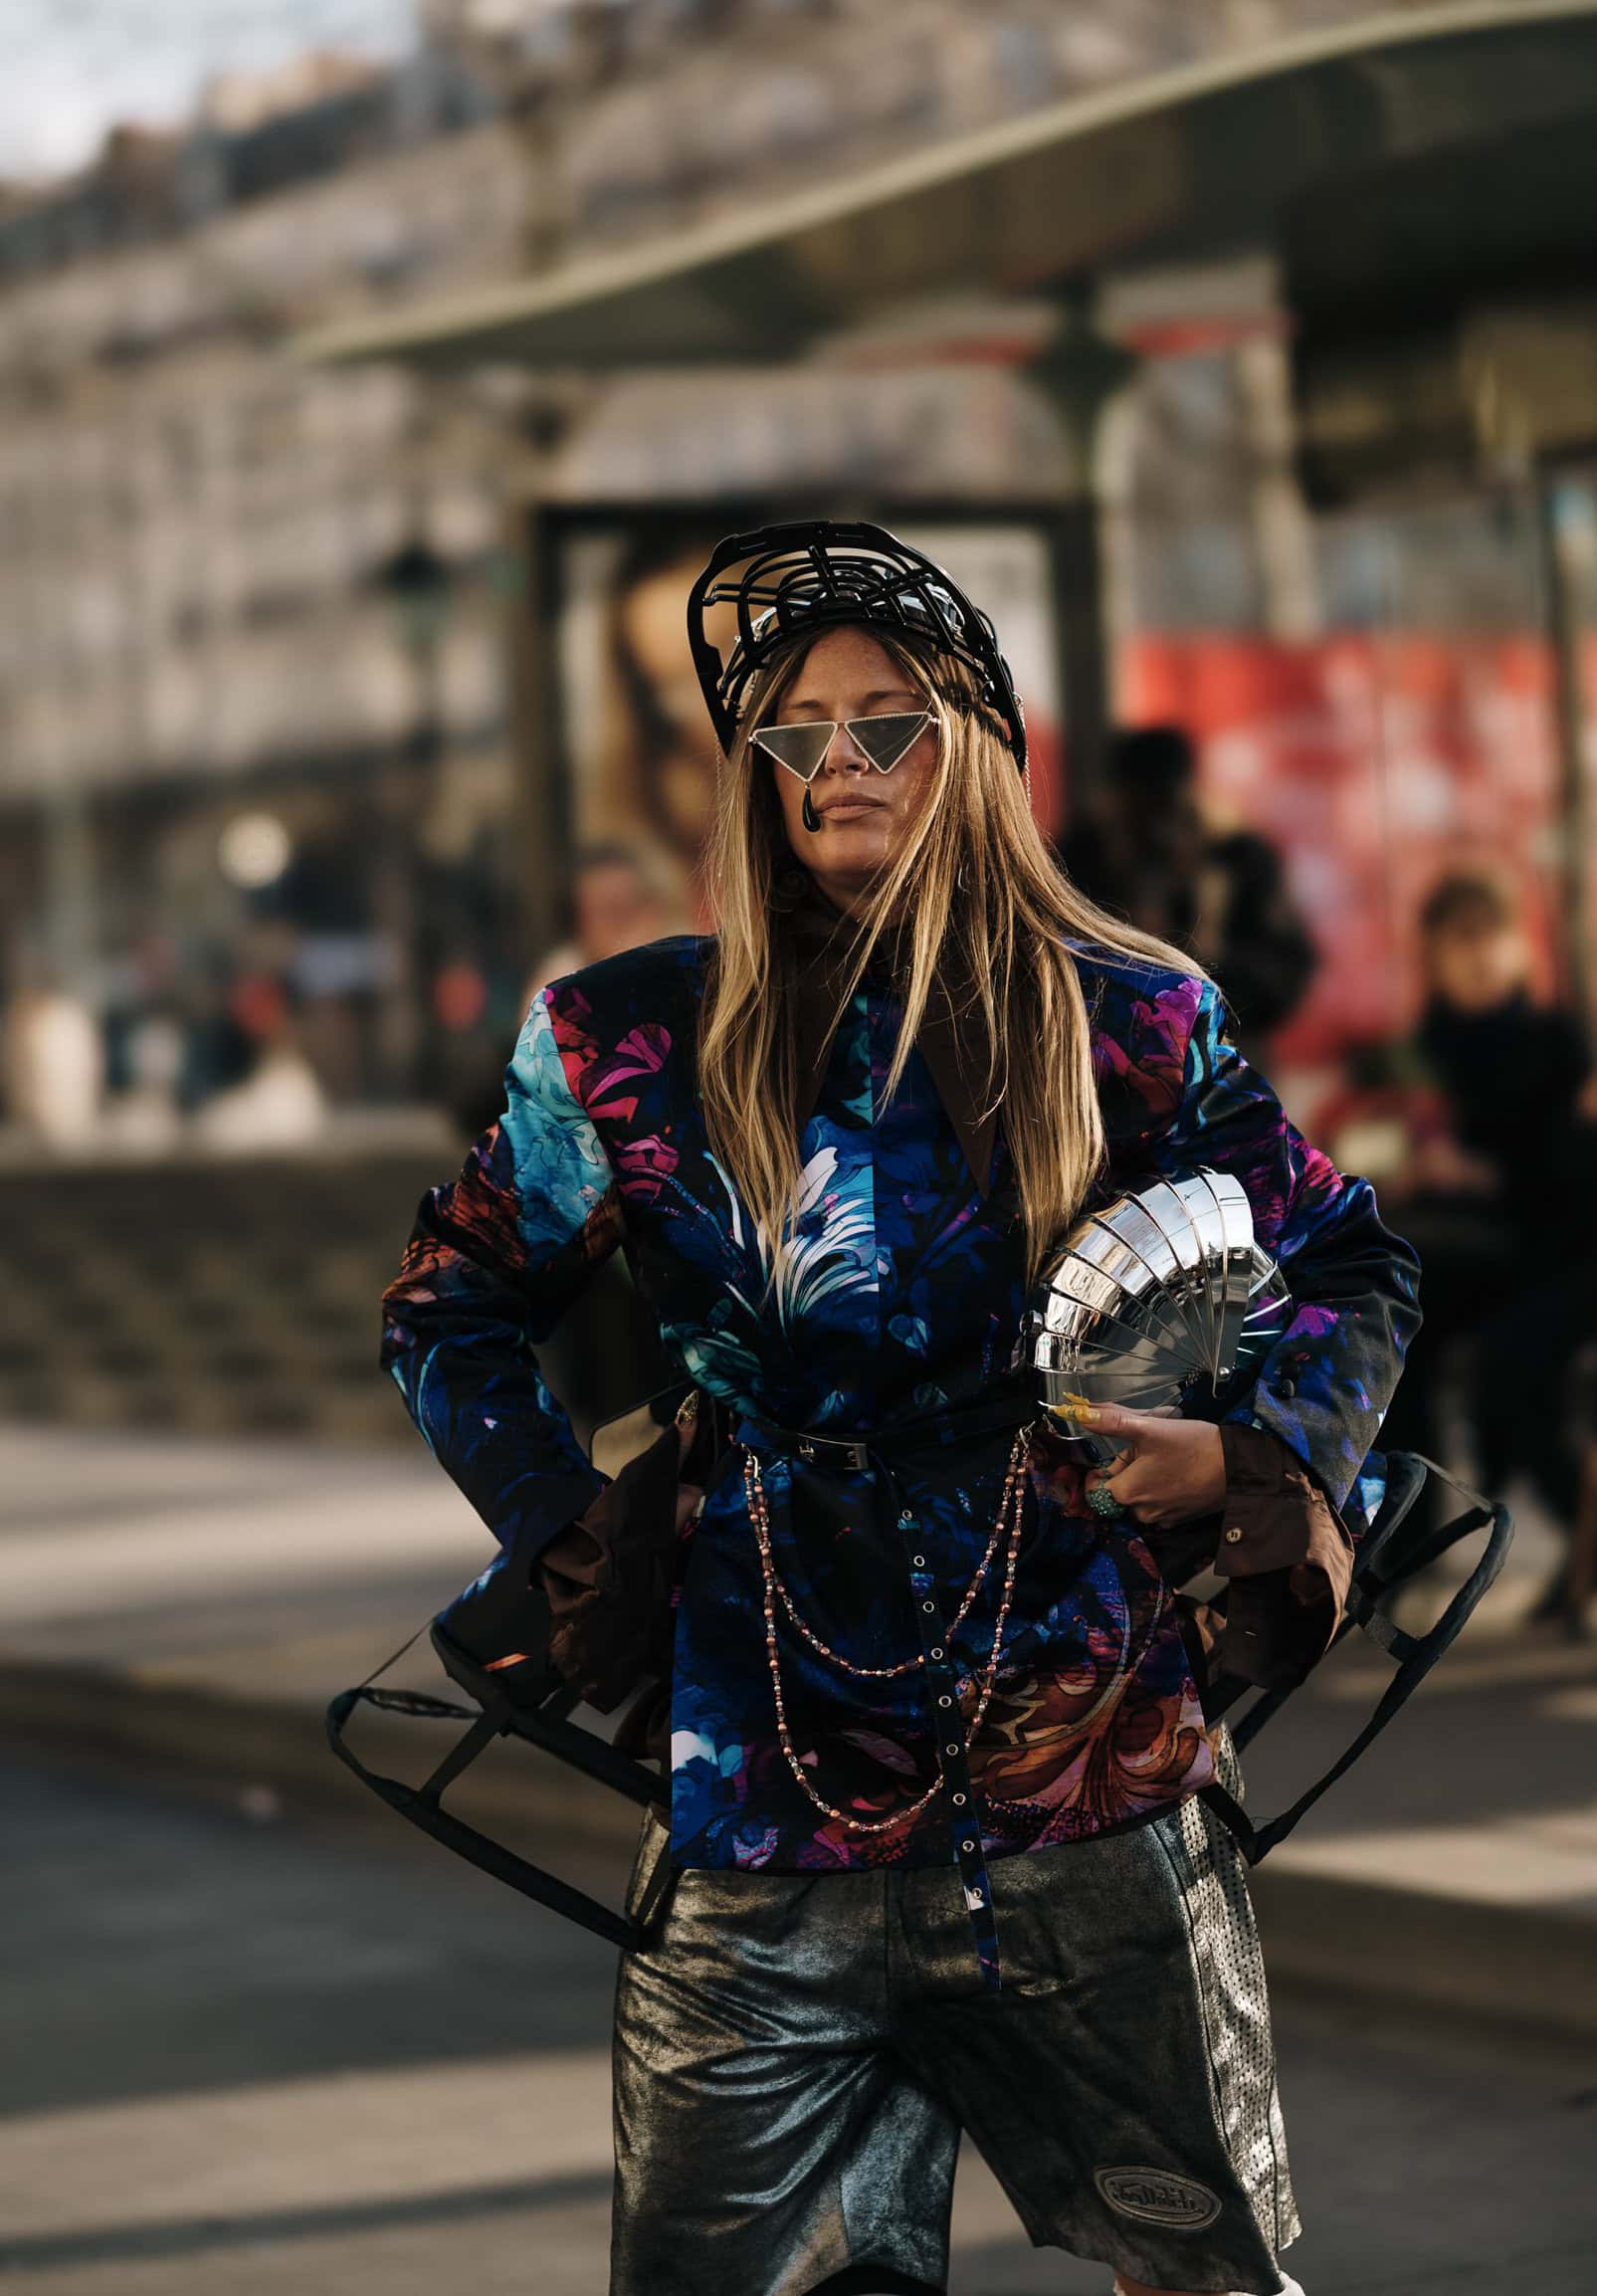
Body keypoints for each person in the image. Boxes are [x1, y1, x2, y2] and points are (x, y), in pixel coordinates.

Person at [379, 522, 1421, 2296]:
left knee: (1206, 2274)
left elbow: (1345, 1263)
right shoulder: (621, 1044)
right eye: (797, 736)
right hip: (758, 1795)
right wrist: (559, 1526)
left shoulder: (1130, 1019)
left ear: (977, 751)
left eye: (889, 724)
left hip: (1090, 1758)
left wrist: (1251, 1458)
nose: (840, 765)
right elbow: (446, 1304)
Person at [1396, 869, 1597, 1611]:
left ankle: (1596, 1533)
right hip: (1465, 1250)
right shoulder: (1423, 1052)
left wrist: (1487, 1173)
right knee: (1390, 1328)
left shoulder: (1553, 1042)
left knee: (1513, 1366)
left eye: (1490, 936)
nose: (1478, 957)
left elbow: (1572, 1176)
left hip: (1555, 1253)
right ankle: (1410, 1531)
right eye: (1459, 940)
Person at [1055, 724, 1318, 1058]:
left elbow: (1284, 967)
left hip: (1218, 1064)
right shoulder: (1084, 856)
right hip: (1106, 1067)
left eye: (1166, 807)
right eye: (1143, 812)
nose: (1158, 831)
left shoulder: (1236, 856)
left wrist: (1202, 984)